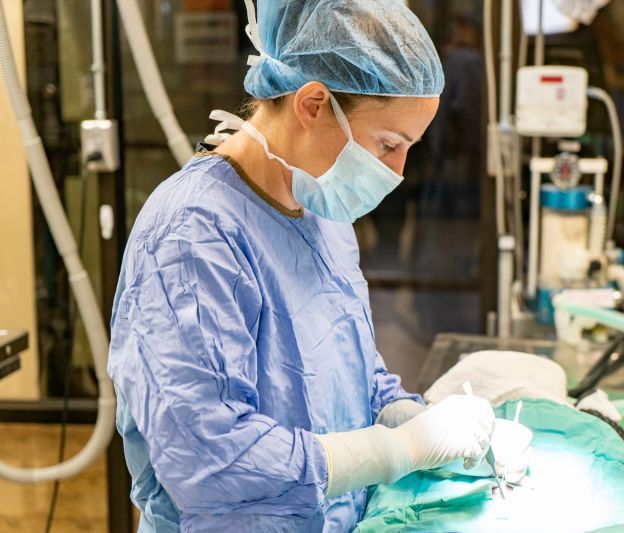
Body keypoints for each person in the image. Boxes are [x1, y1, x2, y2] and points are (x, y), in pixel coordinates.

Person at [107, 1, 495, 531]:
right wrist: (396, 450)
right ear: (313, 103)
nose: (399, 171)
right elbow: (209, 461)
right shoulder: (192, 236)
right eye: (388, 144)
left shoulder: (319, 209)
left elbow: (348, 366)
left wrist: (402, 413)